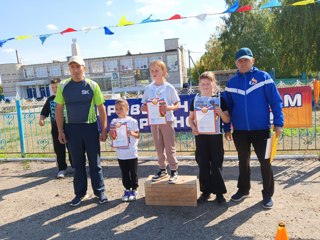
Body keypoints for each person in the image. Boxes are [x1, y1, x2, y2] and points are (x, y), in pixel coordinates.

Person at [224, 47, 284, 209]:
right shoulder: (231, 83)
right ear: (236, 63)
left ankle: (267, 195)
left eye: (246, 60)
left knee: (265, 162)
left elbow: (276, 102)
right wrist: (226, 127)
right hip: (240, 132)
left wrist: (278, 123)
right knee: (243, 162)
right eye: (240, 60)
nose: (243, 63)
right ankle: (243, 190)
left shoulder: (264, 78)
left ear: (253, 61)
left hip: (262, 130)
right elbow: (226, 107)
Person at [54, 55, 108, 207]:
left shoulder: (92, 85)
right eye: (72, 67)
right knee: (77, 164)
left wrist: (103, 129)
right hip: (71, 129)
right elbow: (58, 110)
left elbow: (101, 108)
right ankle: (80, 193)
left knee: (95, 163)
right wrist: (60, 131)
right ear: (69, 69)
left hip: (90, 128)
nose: (76, 69)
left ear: (84, 68)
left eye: (78, 66)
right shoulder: (63, 86)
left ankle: (100, 192)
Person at [188, 72, 230, 204]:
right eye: (202, 84)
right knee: (203, 164)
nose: (205, 86)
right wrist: (193, 127)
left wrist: (221, 113)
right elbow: (190, 119)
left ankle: (219, 193)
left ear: (213, 84)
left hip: (215, 136)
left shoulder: (220, 100)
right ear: (199, 86)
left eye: (208, 83)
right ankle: (205, 191)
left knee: (216, 164)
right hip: (201, 136)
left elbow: (227, 119)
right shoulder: (195, 100)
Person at [141, 60, 180, 184]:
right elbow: (143, 105)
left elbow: (177, 104)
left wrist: (169, 108)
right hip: (154, 121)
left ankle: (174, 170)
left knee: (169, 147)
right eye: (152, 71)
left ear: (164, 71)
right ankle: (162, 169)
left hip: (167, 120)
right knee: (158, 147)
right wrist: (145, 108)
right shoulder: (148, 88)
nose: (154, 73)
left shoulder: (169, 87)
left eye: (156, 70)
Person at [39, 78, 72, 179]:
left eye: (56, 87)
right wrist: (41, 119)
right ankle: (62, 169)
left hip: (69, 127)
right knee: (59, 149)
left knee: (72, 148)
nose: (54, 89)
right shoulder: (50, 100)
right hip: (56, 129)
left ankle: (76, 166)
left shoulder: (68, 98)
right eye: (52, 87)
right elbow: (44, 112)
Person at [109, 98, 140, 202]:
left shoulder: (132, 121)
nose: (118, 111)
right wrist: (112, 134)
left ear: (127, 109)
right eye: (116, 109)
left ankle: (134, 190)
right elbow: (112, 136)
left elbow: (138, 135)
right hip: (121, 153)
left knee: (133, 172)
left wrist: (131, 133)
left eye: (121, 108)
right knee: (124, 173)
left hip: (131, 152)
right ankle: (127, 189)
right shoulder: (114, 121)